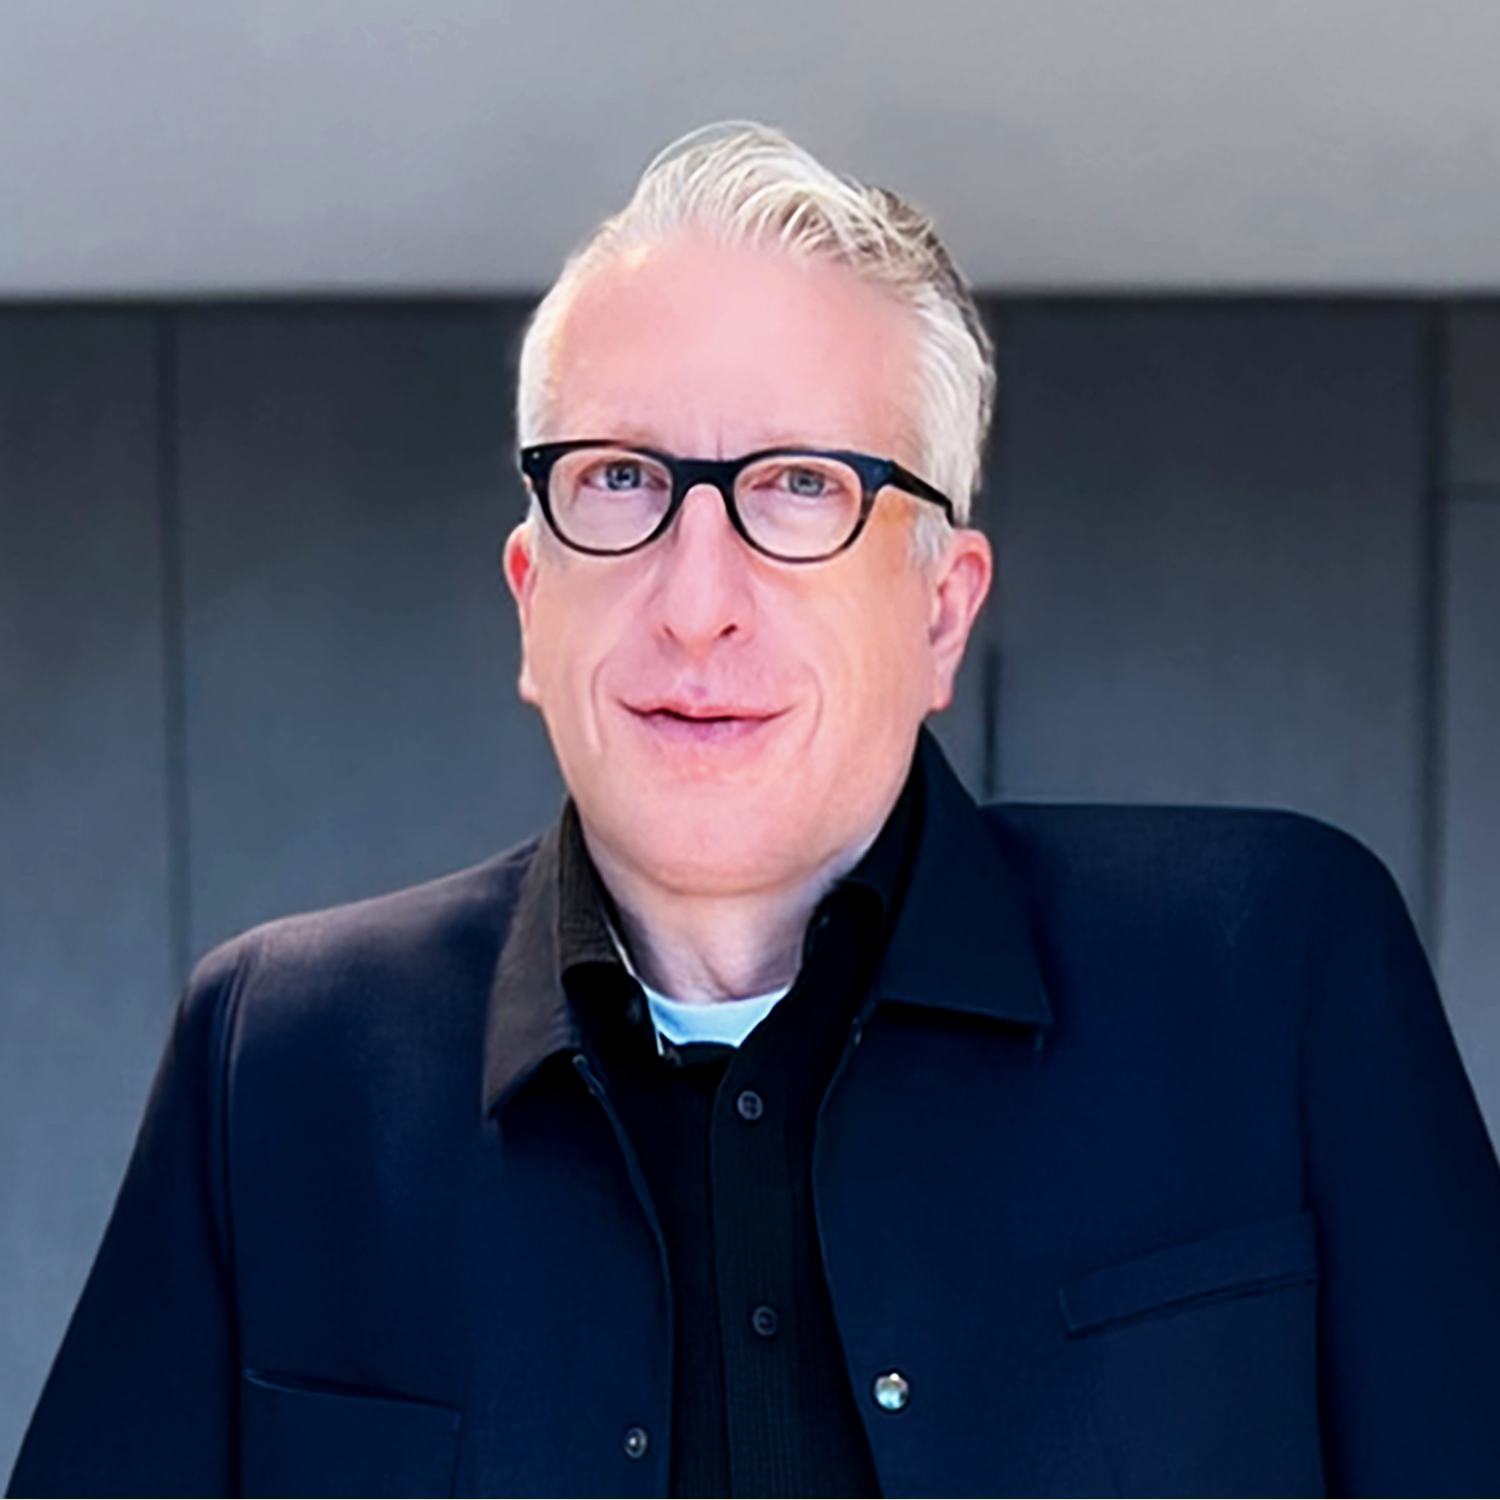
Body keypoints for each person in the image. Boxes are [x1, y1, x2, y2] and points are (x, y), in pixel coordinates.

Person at [10, 122, 1500, 1500]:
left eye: (799, 487)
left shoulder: (1273, 969)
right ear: (533, 604)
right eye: (619, 480)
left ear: (940, 609)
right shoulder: (276, 1067)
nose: (698, 603)